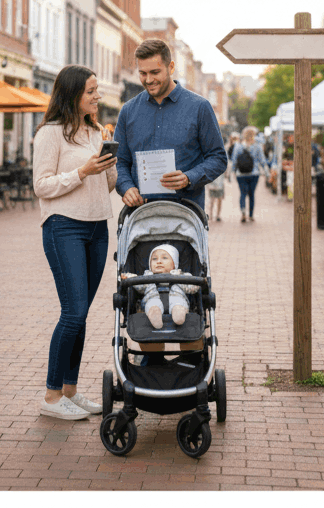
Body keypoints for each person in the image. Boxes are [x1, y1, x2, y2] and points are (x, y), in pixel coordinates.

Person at [32, 65, 117, 420]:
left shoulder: (96, 131)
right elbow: (41, 186)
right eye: (91, 91)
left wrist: (109, 163)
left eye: (97, 90)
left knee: (80, 315)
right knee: (73, 312)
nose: (98, 96)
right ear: (72, 94)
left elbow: (107, 185)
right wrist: (83, 171)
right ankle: (51, 397)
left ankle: (70, 391)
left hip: (97, 227)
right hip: (63, 226)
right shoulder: (50, 134)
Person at [113, 39, 228, 212]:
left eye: (155, 72)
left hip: (186, 214)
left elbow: (218, 158)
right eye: (143, 73)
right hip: (140, 215)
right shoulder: (128, 111)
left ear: (171, 67)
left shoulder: (199, 107)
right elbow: (120, 162)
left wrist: (189, 178)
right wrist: (126, 187)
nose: (149, 80)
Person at [120, 244, 200, 330]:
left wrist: (199, 282)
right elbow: (139, 284)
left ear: (174, 264)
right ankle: (155, 315)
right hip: (152, 299)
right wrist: (128, 277)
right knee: (151, 305)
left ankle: (178, 314)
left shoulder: (180, 276)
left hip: (177, 299)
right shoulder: (147, 277)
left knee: (179, 303)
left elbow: (191, 287)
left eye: (164, 258)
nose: (159, 261)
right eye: (154, 259)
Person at [229, 125, 269, 222]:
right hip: (254, 173)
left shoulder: (238, 146)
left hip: (241, 174)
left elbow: (234, 160)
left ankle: (243, 211)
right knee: (251, 194)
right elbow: (262, 160)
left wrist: (231, 172)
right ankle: (251, 215)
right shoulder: (257, 146)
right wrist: (267, 172)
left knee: (243, 193)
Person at [206, 143, 228, 222]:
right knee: (218, 199)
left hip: (213, 181)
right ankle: (217, 215)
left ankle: (211, 215)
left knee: (212, 199)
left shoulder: (209, 154)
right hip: (219, 182)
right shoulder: (222, 153)